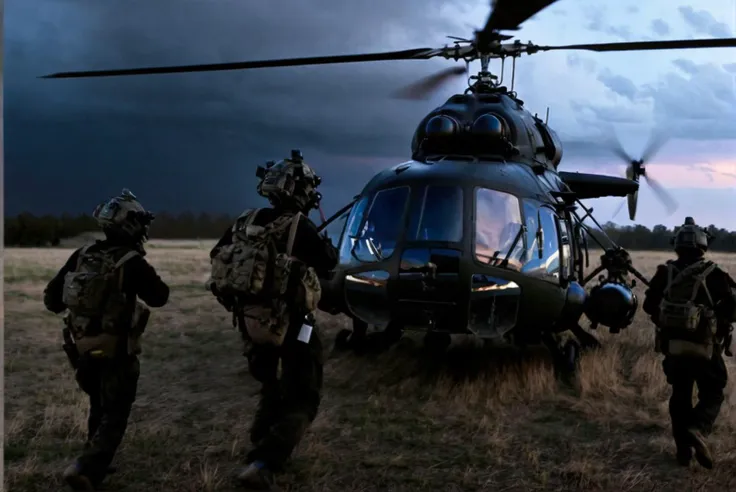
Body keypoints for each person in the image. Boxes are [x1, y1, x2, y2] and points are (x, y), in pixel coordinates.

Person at [207, 150, 337, 490]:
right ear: (299, 190)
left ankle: (259, 439)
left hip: (250, 322)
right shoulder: (298, 226)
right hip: (292, 323)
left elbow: (217, 257)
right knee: (304, 396)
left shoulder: (245, 220)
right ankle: (265, 461)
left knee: (271, 385)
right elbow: (328, 264)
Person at [43, 189, 170, 491]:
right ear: (131, 225)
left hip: (81, 350)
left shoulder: (82, 254)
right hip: (116, 352)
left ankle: (93, 458)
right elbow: (160, 296)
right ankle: (86, 467)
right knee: (115, 412)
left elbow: (52, 300)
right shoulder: (131, 261)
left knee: (99, 403)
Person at [643, 217, 736, 469]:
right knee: (714, 390)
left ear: (677, 245)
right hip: (705, 348)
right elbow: (733, 309)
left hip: (674, 348)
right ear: (703, 245)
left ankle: (683, 453)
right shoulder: (715, 274)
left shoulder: (665, 272)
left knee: (680, 395)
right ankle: (699, 428)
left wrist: (669, 321)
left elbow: (649, 306)